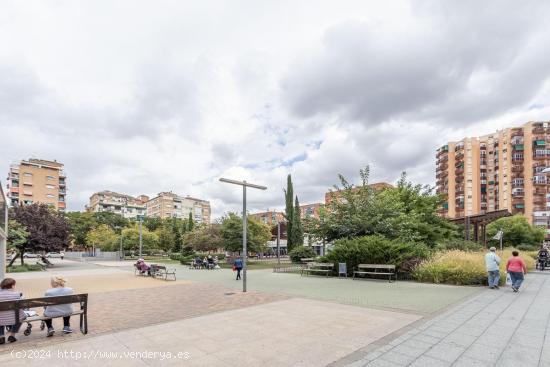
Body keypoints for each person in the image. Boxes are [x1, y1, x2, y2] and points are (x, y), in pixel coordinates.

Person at [0, 278, 26, 344]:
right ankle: (12, 335)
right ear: (12, 286)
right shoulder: (16, 294)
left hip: (1, 319)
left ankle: (1, 336)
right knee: (22, 316)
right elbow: (22, 305)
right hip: (15, 318)